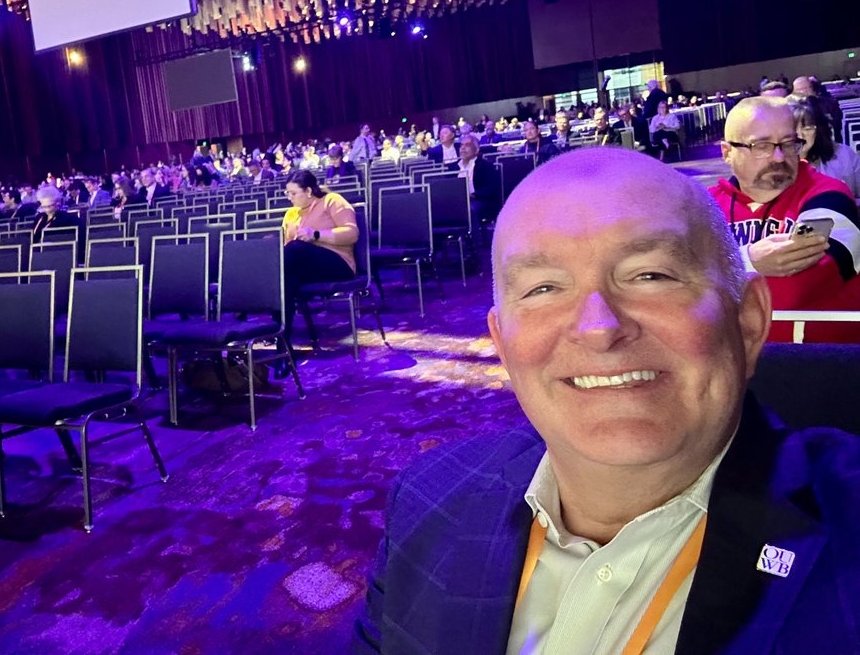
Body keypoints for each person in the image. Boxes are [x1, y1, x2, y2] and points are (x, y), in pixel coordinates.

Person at [358, 147, 860, 653]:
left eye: (650, 276)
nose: (599, 328)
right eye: (543, 288)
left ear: (748, 323)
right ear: (504, 345)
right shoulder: (427, 500)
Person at [711, 96, 860, 342]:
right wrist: (749, 261)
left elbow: (805, 282)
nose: (779, 157)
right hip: (732, 368)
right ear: (727, 152)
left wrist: (709, 280)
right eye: (761, 146)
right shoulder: (702, 206)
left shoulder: (828, 194)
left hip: (818, 362)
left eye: (789, 144)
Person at [280, 170, 358, 332]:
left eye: (293, 193)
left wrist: (316, 235)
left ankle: (253, 295)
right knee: (286, 280)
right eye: (287, 193)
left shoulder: (331, 201)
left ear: (308, 191)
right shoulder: (291, 214)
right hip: (307, 267)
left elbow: (352, 234)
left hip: (338, 262)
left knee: (294, 250)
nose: (289, 198)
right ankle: (283, 338)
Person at [790, 95, 860, 198]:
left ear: (817, 130)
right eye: (793, 129)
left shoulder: (843, 154)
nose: (800, 136)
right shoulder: (776, 167)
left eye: (807, 128)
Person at [455, 133, 501, 226]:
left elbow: (492, 188)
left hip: (479, 200)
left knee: (470, 209)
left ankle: (476, 239)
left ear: (476, 150)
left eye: (467, 145)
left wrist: (473, 195)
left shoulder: (485, 166)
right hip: (456, 201)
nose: (463, 148)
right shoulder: (453, 167)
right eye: (461, 145)